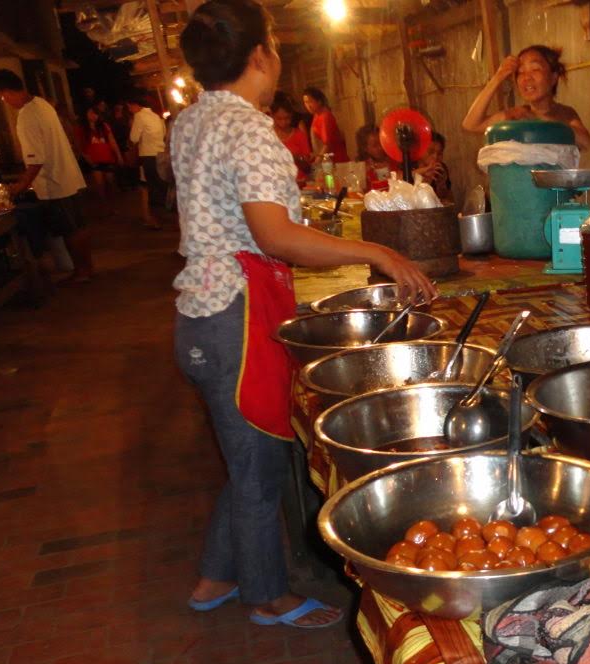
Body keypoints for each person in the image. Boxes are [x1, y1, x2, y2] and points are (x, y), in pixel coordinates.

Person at [173, 0, 436, 628]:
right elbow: (276, 237)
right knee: (260, 462)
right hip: (236, 310)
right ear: (261, 53)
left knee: (244, 458)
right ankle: (268, 594)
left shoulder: (193, 121)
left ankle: (216, 576)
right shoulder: (248, 128)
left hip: (200, 312)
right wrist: (379, 250)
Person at [0, 69, 94, 283]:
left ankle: (82, 272)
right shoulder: (42, 103)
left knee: (70, 230)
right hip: (69, 175)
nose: (4, 101)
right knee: (79, 226)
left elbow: (35, 160)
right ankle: (87, 268)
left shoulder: (26, 116)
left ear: (7, 92)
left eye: (2, 96)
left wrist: (20, 186)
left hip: (54, 181)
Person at [462, 45, 590, 150]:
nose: (526, 77)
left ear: (553, 77)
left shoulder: (565, 113)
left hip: (556, 182)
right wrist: (498, 77)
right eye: (521, 72)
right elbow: (471, 124)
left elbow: (585, 141)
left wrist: (538, 119)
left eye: (535, 69)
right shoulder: (515, 116)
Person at [125, 93, 168, 228]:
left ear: (135, 105)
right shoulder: (156, 116)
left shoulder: (139, 116)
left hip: (148, 155)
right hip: (160, 154)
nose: (129, 110)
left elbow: (133, 138)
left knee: (151, 187)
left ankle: (154, 220)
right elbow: (164, 133)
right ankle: (162, 217)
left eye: (129, 107)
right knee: (161, 185)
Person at [77, 103, 122, 214]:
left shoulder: (104, 126)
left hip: (107, 158)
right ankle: (104, 207)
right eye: (91, 113)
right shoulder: (82, 128)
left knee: (110, 183)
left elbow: (112, 141)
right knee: (100, 185)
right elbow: (80, 146)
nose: (93, 116)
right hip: (94, 160)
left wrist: (119, 155)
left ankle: (112, 206)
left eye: (96, 113)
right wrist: (88, 159)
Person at [270, 93, 312, 184]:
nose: (283, 122)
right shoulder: (268, 136)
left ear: (291, 116)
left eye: (287, 118)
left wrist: (295, 158)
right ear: (272, 116)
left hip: (298, 182)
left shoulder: (299, 135)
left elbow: (308, 168)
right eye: (279, 119)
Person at [302, 86, 348, 163]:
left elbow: (327, 144)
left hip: (334, 160)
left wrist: (317, 162)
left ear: (319, 101)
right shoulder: (317, 115)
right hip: (327, 159)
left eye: (310, 102)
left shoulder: (325, 117)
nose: (308, 106)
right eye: (305, 102)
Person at [354, 124, 394, 190]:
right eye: (375, 145)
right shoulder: (363, 169)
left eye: (381, 143)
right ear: (365, 148)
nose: (380, 148)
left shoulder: (395, 162)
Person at [417, 131, 451, 203]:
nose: (435, 157)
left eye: (439, 153)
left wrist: (441, 185)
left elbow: (446, 198)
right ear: (420, 150)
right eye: (430, 152)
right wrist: (422, 172)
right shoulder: (409, 165)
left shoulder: (441, 168)